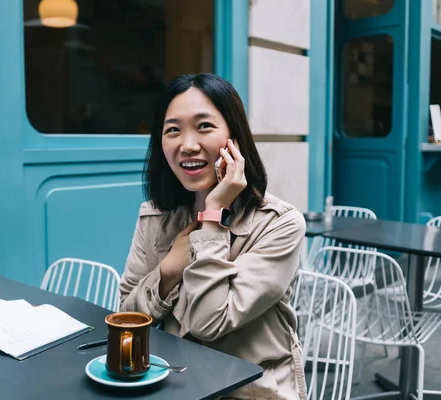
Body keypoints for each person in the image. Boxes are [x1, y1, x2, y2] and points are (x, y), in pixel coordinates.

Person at [119, 73, 306, 400]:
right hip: (173, 385)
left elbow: (209, 321)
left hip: (249, 393)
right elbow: (127, 316)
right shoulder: (155, 216)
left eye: (204, 126)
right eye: (173, 130)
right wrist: (167, 273)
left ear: (235, 138)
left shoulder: (281, 224)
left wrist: (214, 214)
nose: (188, 145)